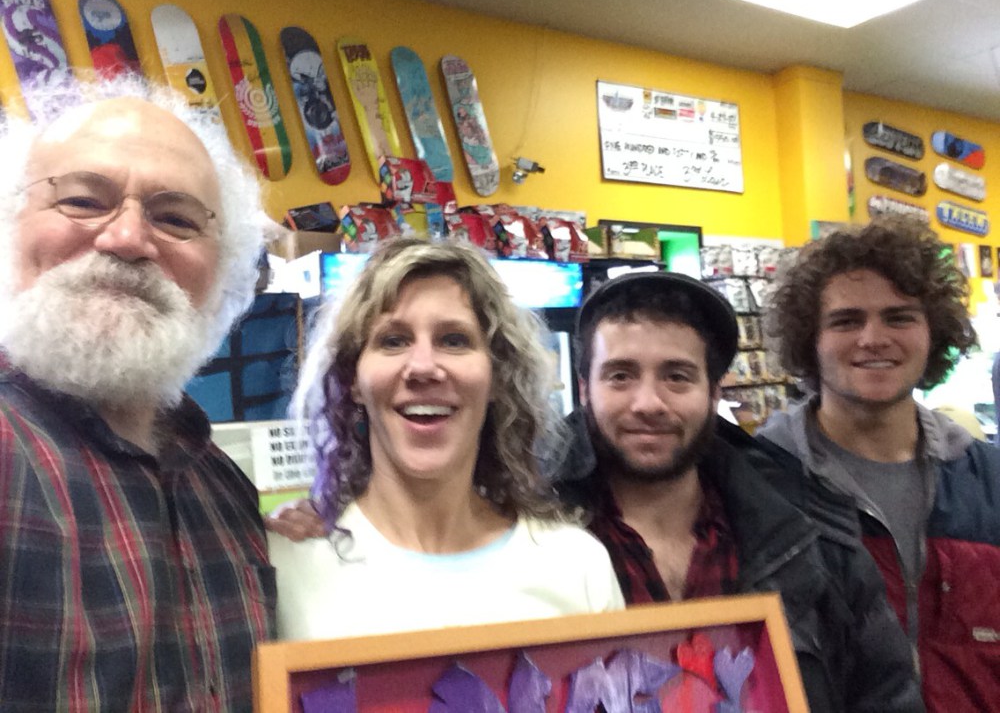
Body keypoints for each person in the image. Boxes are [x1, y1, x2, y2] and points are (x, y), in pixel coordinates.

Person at [0, 77, 275, 712]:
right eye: (81, 200)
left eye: (175, 218)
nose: (126, 238)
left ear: (222, 272)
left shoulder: (224, 488)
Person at [551, 270, 922, 713]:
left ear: (714, 393)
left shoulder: (812, 534)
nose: (648, 403)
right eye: (620, 376)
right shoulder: (523, 530)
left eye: (677, 376)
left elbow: (886, 696)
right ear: (585, 390)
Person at [267, 237, 623, 640]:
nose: (423, 367)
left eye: (454, 340)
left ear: (497, 376)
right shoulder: (285, 565)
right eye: (393, 340)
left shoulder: (577, 567)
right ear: (353, 380)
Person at [758, 214, 1000, 712]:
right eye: (846, 321)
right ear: (810, 339)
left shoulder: (987, 480)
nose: (873, 338)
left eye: (899, 317)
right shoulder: (761, 485)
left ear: (933, 332)